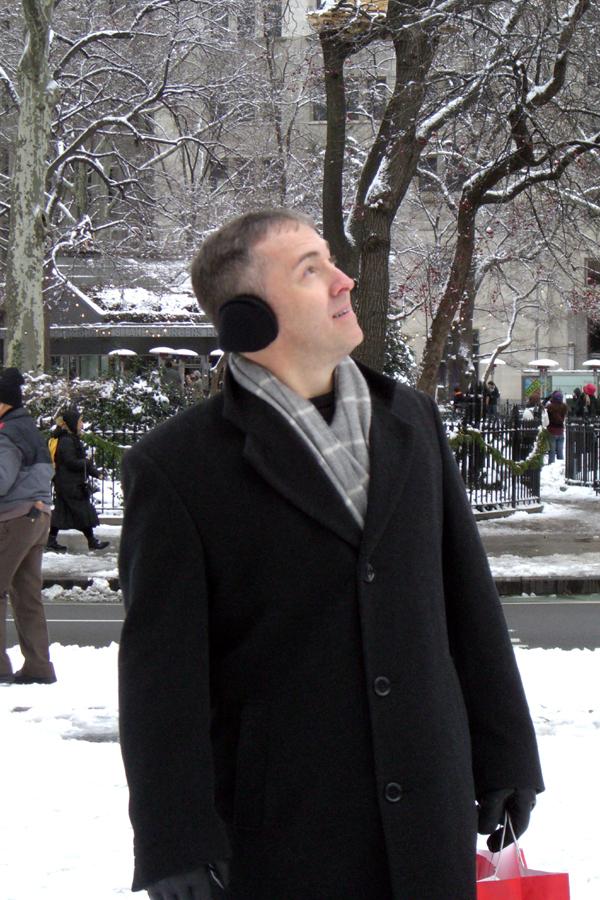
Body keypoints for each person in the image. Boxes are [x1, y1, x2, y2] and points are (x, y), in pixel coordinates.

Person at [118, 209, 543, 900]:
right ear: (248, 319)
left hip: (431, 818)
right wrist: (176, 839)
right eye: (310, 271)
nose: (344, 281)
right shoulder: (176, 468)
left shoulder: (412, 421)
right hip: (289, 836)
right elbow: (162, 680)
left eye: (332, 263)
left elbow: (467, 599)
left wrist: (507, 752)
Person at [0, 368, 57, 685]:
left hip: (13, 518)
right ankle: (38, 666)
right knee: (26, 595)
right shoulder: (30, 429)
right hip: (38, 518)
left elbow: (2, 479)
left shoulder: (6, 433)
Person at [46, 408, 109, 553]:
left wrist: (95, 473)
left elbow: (78, 462)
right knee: (82, 511)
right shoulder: (66, 441)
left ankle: (51, 541)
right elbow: (70, 462)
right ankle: (92, 541)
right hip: (70, 484)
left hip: (66, 482)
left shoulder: (69, 438)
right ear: (72, 423)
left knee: (62, 511)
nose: (82, 424)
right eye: (80, 421)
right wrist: (86, 463)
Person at [544, 390, 568, 464]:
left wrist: (547, 399)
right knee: (560, 451)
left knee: (552, 451)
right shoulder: (564, 407)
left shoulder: (549, 407)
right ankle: (560, 465)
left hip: (551, 431)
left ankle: (551, 465)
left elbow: (544, 413)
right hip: (560, 430)